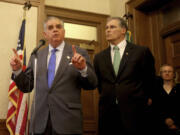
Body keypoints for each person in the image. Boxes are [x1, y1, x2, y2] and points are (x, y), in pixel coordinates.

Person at [10, 16, 97, 135]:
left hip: (68, 122)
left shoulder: (79, 53)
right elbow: (27, 86)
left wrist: (83, 69)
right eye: (51, 28)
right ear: (45, 34)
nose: (55, 30)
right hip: (40, 122)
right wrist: (18, 71)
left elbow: (92, 84)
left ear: (64, 32)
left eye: (58, 27)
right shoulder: (37, 55)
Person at [93, 17, 156, 135]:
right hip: (108, 112)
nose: (107, 30)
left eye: (112, 27)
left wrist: (145, 98)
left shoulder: (141, 52)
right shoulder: (99, 57)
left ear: (123, 30)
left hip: (135, 111)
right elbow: (100, 84)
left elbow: (150, 79)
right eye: (106, 28)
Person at [151, 64, 180, 135]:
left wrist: (174, 122)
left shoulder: (179, 88)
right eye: (164, 71)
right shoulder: (154, 90)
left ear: (174, 74)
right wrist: (165, 120)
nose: (167, 73)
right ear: (160, 74)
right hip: (160, 126)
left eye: (169, 71)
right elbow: (154, 108)